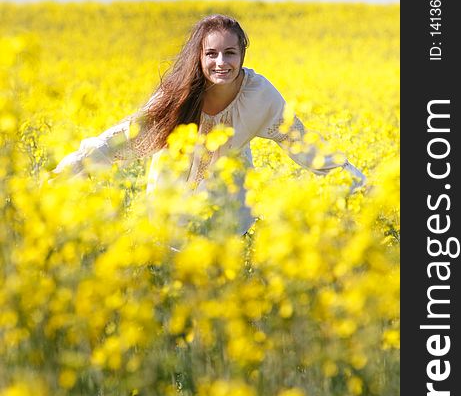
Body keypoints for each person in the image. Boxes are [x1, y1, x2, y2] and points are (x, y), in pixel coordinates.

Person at [51, 14, 366, 236]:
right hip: (167, 217)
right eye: (211, 54)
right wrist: (67, 172)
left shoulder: (260, 96)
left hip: (229, 223)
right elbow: (122, 139)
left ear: (242, 54)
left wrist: (367, 189)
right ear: (199, 57)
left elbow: (304, 144)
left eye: (230, 53)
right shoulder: (176, 96)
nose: (221, 63)